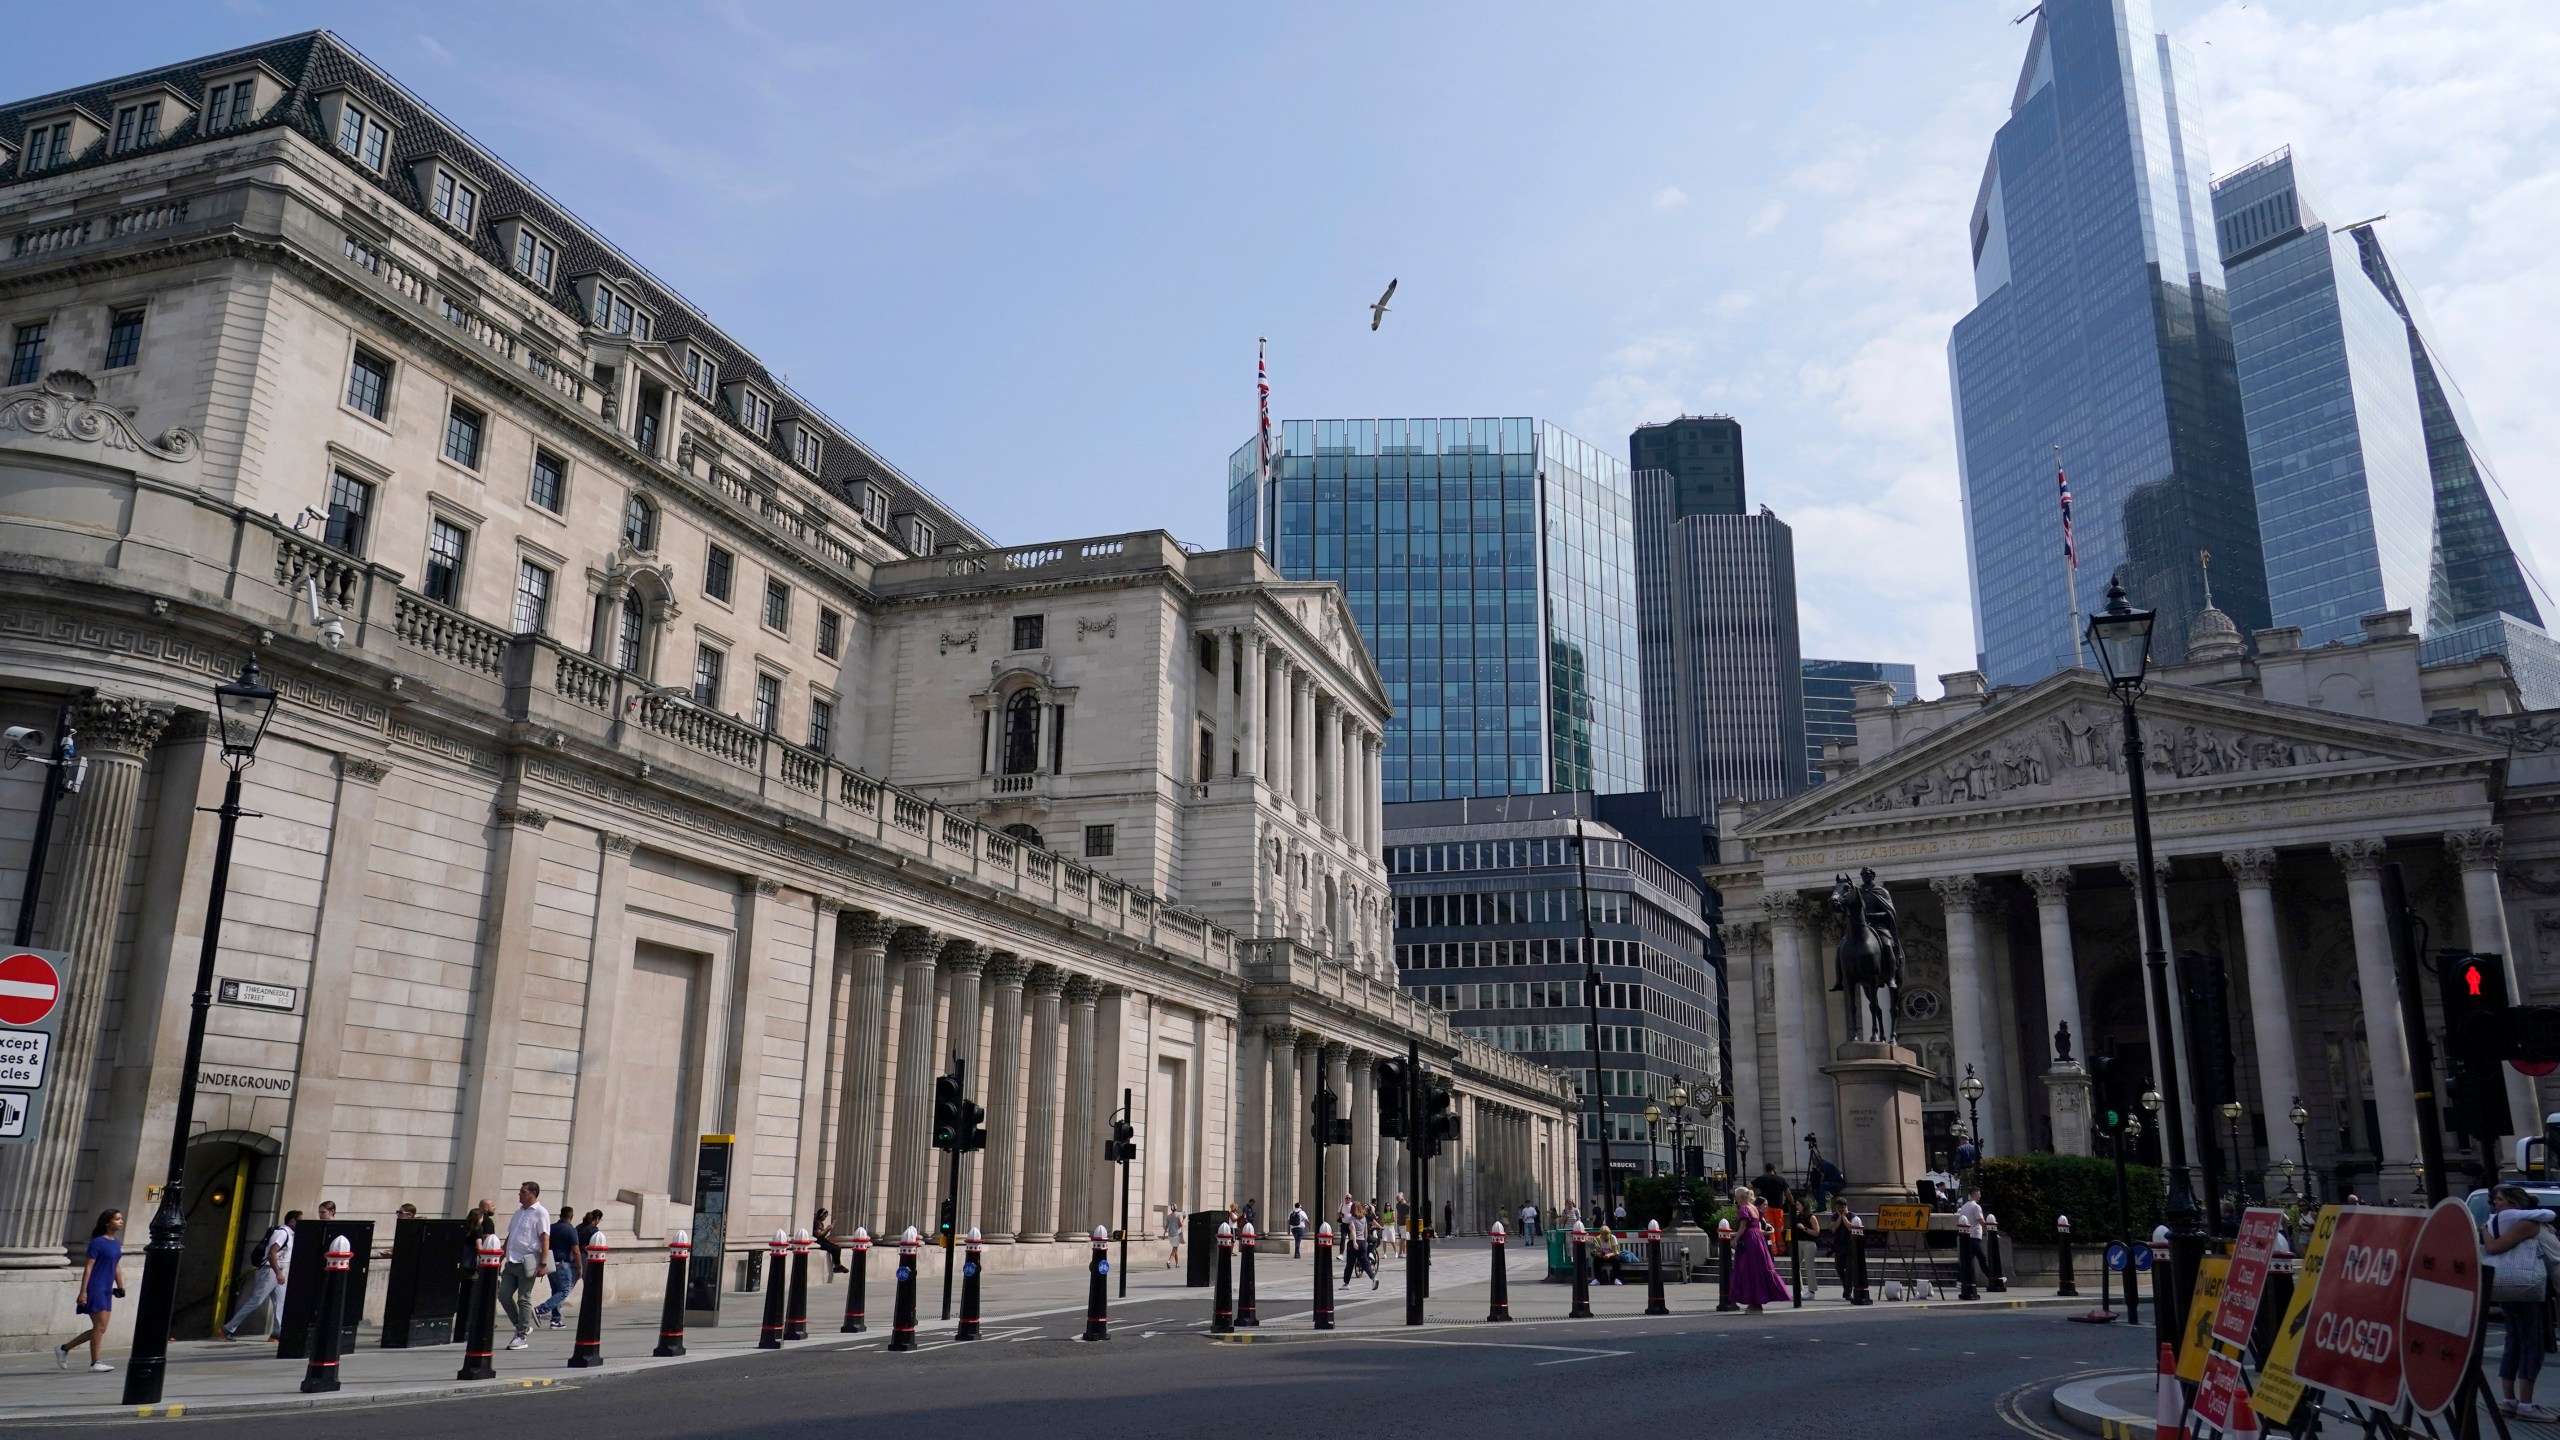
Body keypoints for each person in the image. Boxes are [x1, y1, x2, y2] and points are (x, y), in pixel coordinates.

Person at [2486, 1184, 2556, 1421]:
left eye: (2499, 1200)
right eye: (2495, 1200)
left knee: (2514, 1340)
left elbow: (2494, 1246)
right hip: (2527, 1287)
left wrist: (2484, 1229)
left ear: (2514, 1204)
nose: (2495, 1204)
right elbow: (2494, 1247)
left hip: (2511, 1285)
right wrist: (2485, 1230)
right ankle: (2526, 1405)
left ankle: (2510, 1401)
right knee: (2531, 1343)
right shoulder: (2525, 1223)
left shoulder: (2514, 1224)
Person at [54, 1210, 123, 1373]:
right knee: (99, 1326)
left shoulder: (116, 1243)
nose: (121, 1222)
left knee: (101, 1328)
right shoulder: (97, 1243)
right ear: (107, 1222)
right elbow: (89, 1267)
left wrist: (121, 1286)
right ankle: (95, 1362)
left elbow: (117, 1266)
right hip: (96, 1286)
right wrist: (83, 1291)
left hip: (107, 1288)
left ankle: (64, 1348)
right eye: (117, 1219)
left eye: (121, 1219)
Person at [220, 1209, 298, 1340]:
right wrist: (278, 1273)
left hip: (279, 1270)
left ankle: (277, 1332)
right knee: (256, 1300)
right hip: (271, 1271)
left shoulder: (290, 1234)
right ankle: (228, 1328)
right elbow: (272, 1253)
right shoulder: (282, 1233)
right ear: (292, 1221)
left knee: (280, 1302)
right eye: (299, 1220)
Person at [499, 1180, 551, 1350]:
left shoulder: (541, 1213)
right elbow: (511, 1234)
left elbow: (544, 1238)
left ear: (532, 1194)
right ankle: (522, 1326)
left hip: (527, 1262)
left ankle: (521, 1336)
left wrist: (543, 1263)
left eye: (522, 1192)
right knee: (503, 1295)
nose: (519, 1194)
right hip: (512, 1260)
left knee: (524, 1298)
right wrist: (502, 1254)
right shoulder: (518, 1212)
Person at [1727, 1186, 1790, 1314]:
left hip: (1749, 1240)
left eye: (1736, 1196)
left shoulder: (1744, 1208)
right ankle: (1758, 1303)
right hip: (1758, 1240)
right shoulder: (1754, 1208)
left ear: (1741, 1197)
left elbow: (1743, 1227)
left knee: (1748, 1268)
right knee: (1759, 1267)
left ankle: (1753, 1302)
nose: (1735, 1199)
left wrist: (1735, 1240)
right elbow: (1757, 1227)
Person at [532, 1199, 582, 1330]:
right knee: (564, 1291)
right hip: (563, 1263)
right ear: (571, 1217)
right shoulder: (571, 1230)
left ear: (560, 1215)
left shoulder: (551, 1228)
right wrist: (580, 1267)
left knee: (556, 1291)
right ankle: (540, 1310)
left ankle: (556, 1320)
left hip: (550, 1263)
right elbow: (576, 1250)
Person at [1956, 1188, 1988, 1295]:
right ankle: (1960, 1280)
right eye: (1978, 1194)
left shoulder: (1964, 1206)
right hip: (1974, 1235)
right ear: (1974, 1194)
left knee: (1975, 1258)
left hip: (1966, 1236)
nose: (1980, 1196)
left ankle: (1960, 1280)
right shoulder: (1976, 1207)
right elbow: (1981, 1220)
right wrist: (1991, 1230)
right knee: (1975, 1258)